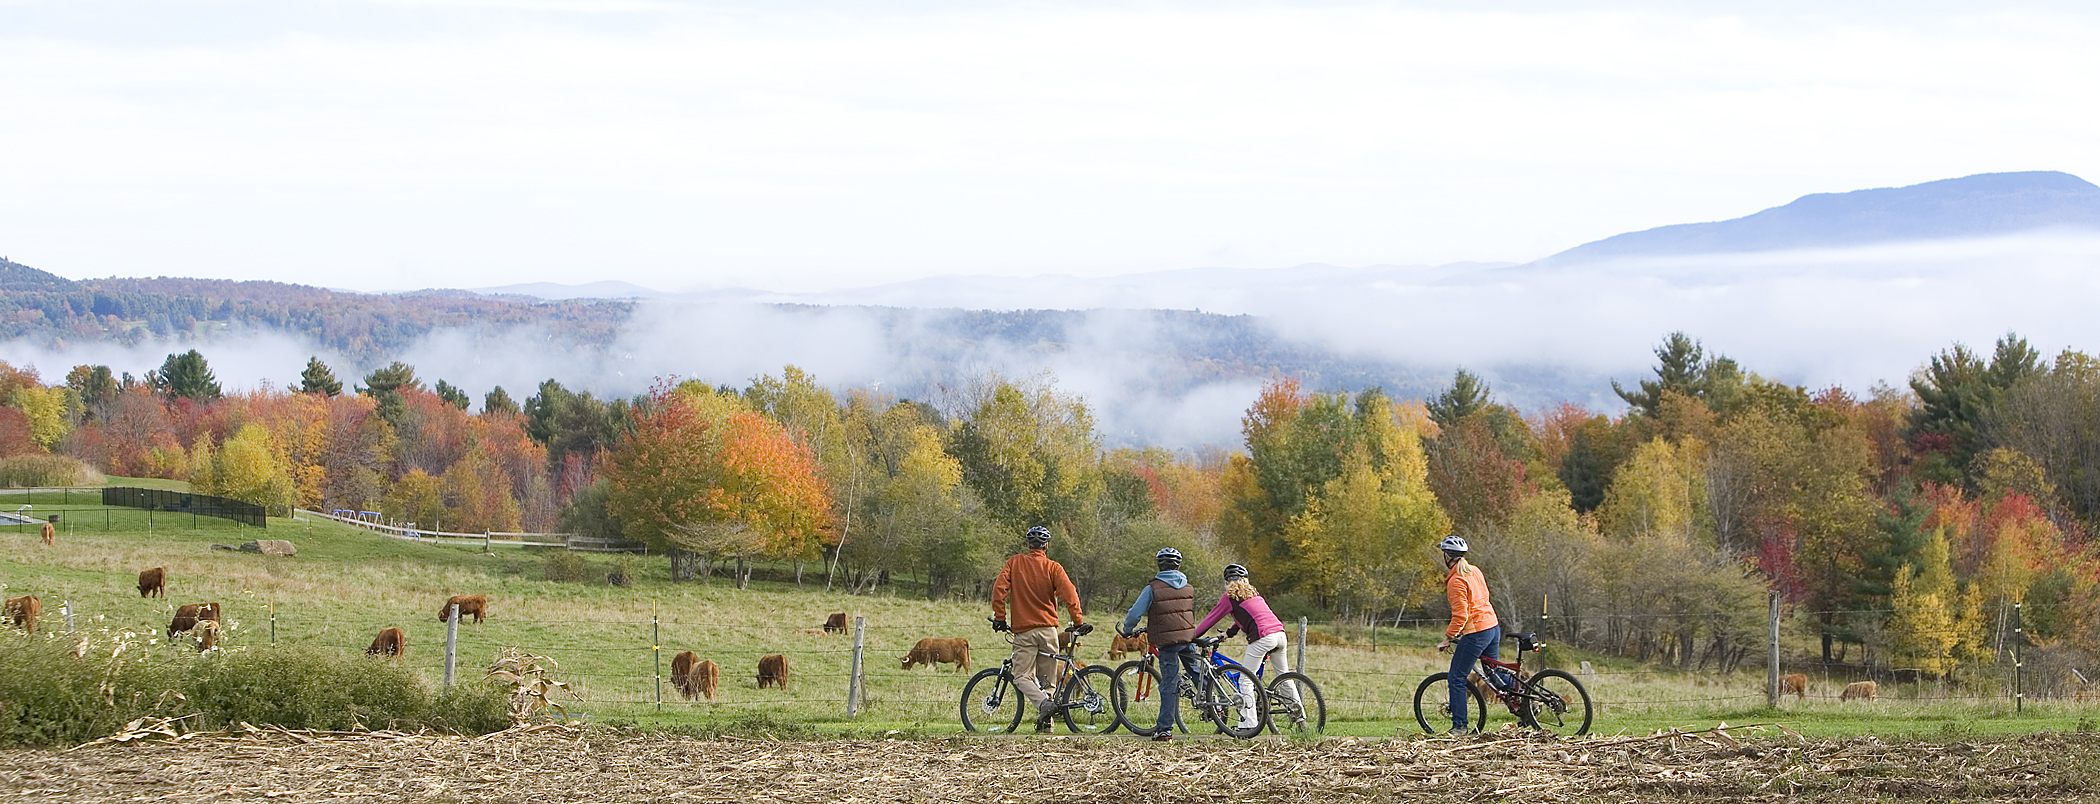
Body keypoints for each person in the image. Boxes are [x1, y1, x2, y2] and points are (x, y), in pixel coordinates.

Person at [990, 525, 1090, 732]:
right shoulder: (1054, 567)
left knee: (1022, 677)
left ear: (1029, 545)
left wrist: (1000, 618)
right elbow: (1070, 595)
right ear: (1046, 545)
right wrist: (1077, 621)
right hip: (1049, 630)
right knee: (1047, 681)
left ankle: (1044, 706)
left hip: (1024, 631)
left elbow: (999, 590)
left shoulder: (1015, 562)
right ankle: (1047, 726)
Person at [1192, 563, 1298, 730]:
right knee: (1284, 677)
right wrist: (1229, 633)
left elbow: (1210, 619)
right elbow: (1246, 616)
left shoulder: (1228, 597)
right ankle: (1299, 717)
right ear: (1246, 580)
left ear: (1227, 582)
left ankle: (1248, 725)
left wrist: (1193, 636)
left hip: (1262, 637)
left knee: (1245, 680)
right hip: (1280, 634)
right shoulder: (1253, 594)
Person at [1119, 547, 1203, 742]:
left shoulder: (1153, 588)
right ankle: (1217, 708)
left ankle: (1165, 729)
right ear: (1179, 565)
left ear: (1159, 565)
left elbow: (1134, 614)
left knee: (1169, 683)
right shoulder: (1187, 586)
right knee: (1197, 672)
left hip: (1167, 641)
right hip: (1188, 636)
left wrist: (1127, 629)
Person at [1434, 535, 1500, 734]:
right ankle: (1523, 704)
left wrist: (1448, 637)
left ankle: (1460, 726)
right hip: (1492, 626)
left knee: (1456, 677)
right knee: (1493, 674)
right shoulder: (1475, 571)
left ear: (1447, 556)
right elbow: (1485, 598)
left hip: (1476, 632)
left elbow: (1461, 614)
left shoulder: (1456, 581)